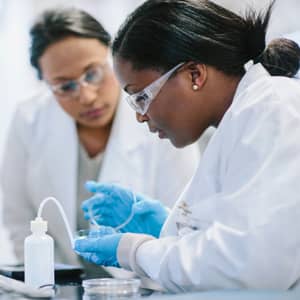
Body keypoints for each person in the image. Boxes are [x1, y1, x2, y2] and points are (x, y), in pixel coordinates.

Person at [74, 0, 300, 293]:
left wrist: (134, 251)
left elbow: (247, 265)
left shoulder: (274, 108)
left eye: (141, 96)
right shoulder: (241, 118)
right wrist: (170, 229)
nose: (141, 116)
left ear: (195, 75)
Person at [0, 7, 199, 273]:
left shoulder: (163, 117)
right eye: (65, 86)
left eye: (93, 73)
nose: (87, 96)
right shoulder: (29, 119)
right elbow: (18, 220)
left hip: (147, 284)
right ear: (46, 84)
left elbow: (187, 228)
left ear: (114, 57)